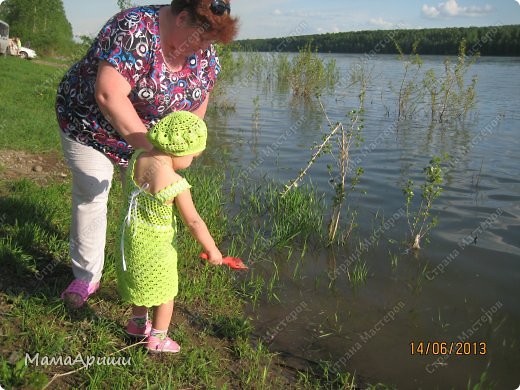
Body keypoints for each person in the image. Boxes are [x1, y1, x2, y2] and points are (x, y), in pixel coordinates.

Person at [55, 1, 238, 308]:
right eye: (204, 39)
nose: (206, 48)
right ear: (181, 18)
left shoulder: (204, 50)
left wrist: (186, 144)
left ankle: (136, 272)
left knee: (145, 205)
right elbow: (108, 94)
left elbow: (199, 101)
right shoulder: (135, 27)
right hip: (91, 124)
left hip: (151, 139)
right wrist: (155, 152)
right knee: (93, 189)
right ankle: (86, 276)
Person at [117, 110, 222, 353]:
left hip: (131, 239)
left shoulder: (137, 158)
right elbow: (194, 222)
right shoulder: (176, 183)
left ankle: (136, 324)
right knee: (165, 292)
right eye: (193, 156)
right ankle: (158, 338)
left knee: (140, 284)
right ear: (179, 150)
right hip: (157, 249)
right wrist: (212, 249)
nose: (192, 161)